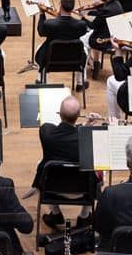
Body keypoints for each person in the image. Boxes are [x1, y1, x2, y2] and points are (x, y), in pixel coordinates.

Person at [33, 96, 97, 225]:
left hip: (52, 187)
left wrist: (83, 127)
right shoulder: (87, 137)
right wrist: (86, 127)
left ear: (59, 114)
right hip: (83, 189)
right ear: (78, 115)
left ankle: (56, 214)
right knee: (99, 169)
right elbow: (75, 135)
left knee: (40, 164)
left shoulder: (46, 132)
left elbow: (59, 131)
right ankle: (84, 216)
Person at [33, 0, 90, 72]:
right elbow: (82, 31)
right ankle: (81, 78)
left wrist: (42, 13)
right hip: (74, 59)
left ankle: (41, 76)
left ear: (60, 6)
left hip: (51, 59)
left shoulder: (49, 23)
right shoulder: (81, 24)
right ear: (73, 7)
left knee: (39, 48)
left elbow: (41, 32)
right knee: (84, 49)